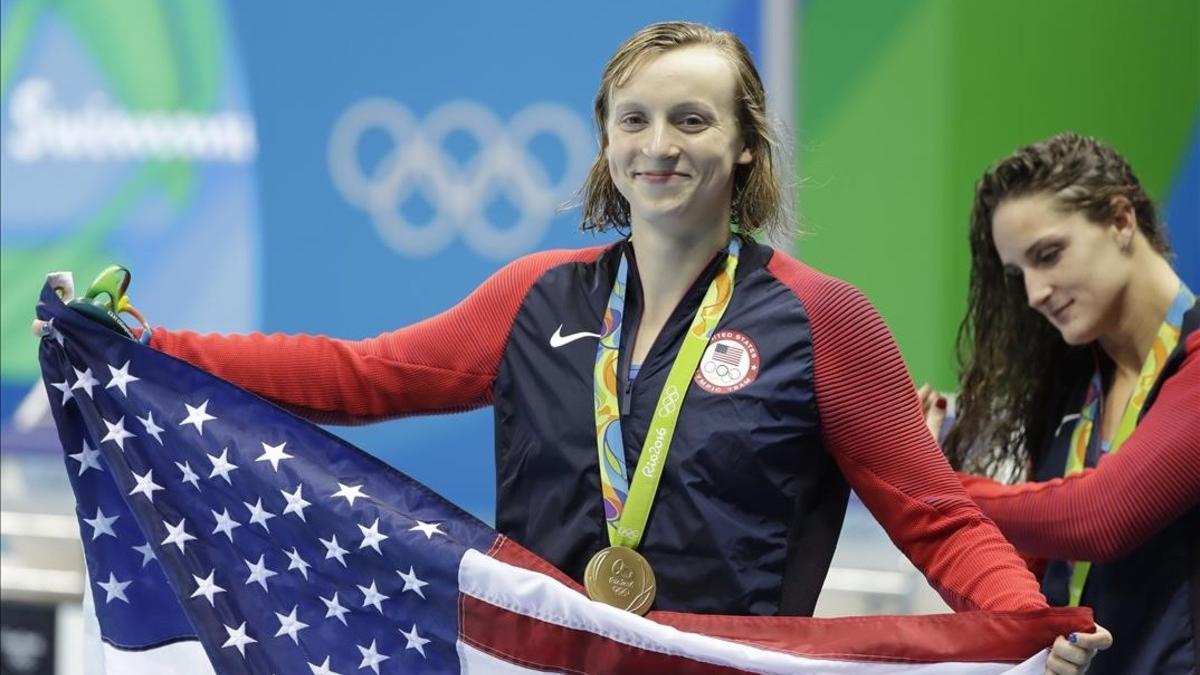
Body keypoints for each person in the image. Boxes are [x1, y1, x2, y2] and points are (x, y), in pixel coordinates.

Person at [39, 22, 1105, 673]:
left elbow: (933, 516)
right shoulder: (537, 297)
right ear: (605, 139)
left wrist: (1023, 627)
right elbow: (357, 378)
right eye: (634, 121)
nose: (659, 146)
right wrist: (156, 343)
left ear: (743, 146)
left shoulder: (823, 318)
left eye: (691, 121)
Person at [920, 132, 1198, 674]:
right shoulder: (1071, 386)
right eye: (1019, 273)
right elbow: (1012, 575)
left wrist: (931, 484)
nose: (1034, 293)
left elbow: (1099, 515)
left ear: (1121, 221)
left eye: (1049, 256)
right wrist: (1033, 630)